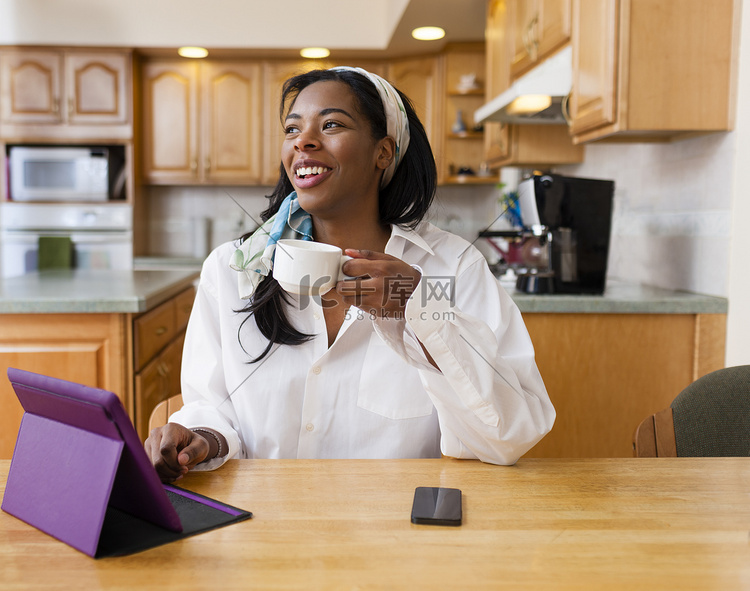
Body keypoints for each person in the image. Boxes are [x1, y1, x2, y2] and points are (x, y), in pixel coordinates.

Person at [144, 66, 555, 482]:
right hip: (260, 526)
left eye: (332, 124)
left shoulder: (454, 267)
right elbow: (211, 403)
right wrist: (201, 437)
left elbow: (509, 435)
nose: (303, 140)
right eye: (292, 129)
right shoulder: (233, 269)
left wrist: (420, 310)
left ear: (383, 152)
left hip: (400, 532)